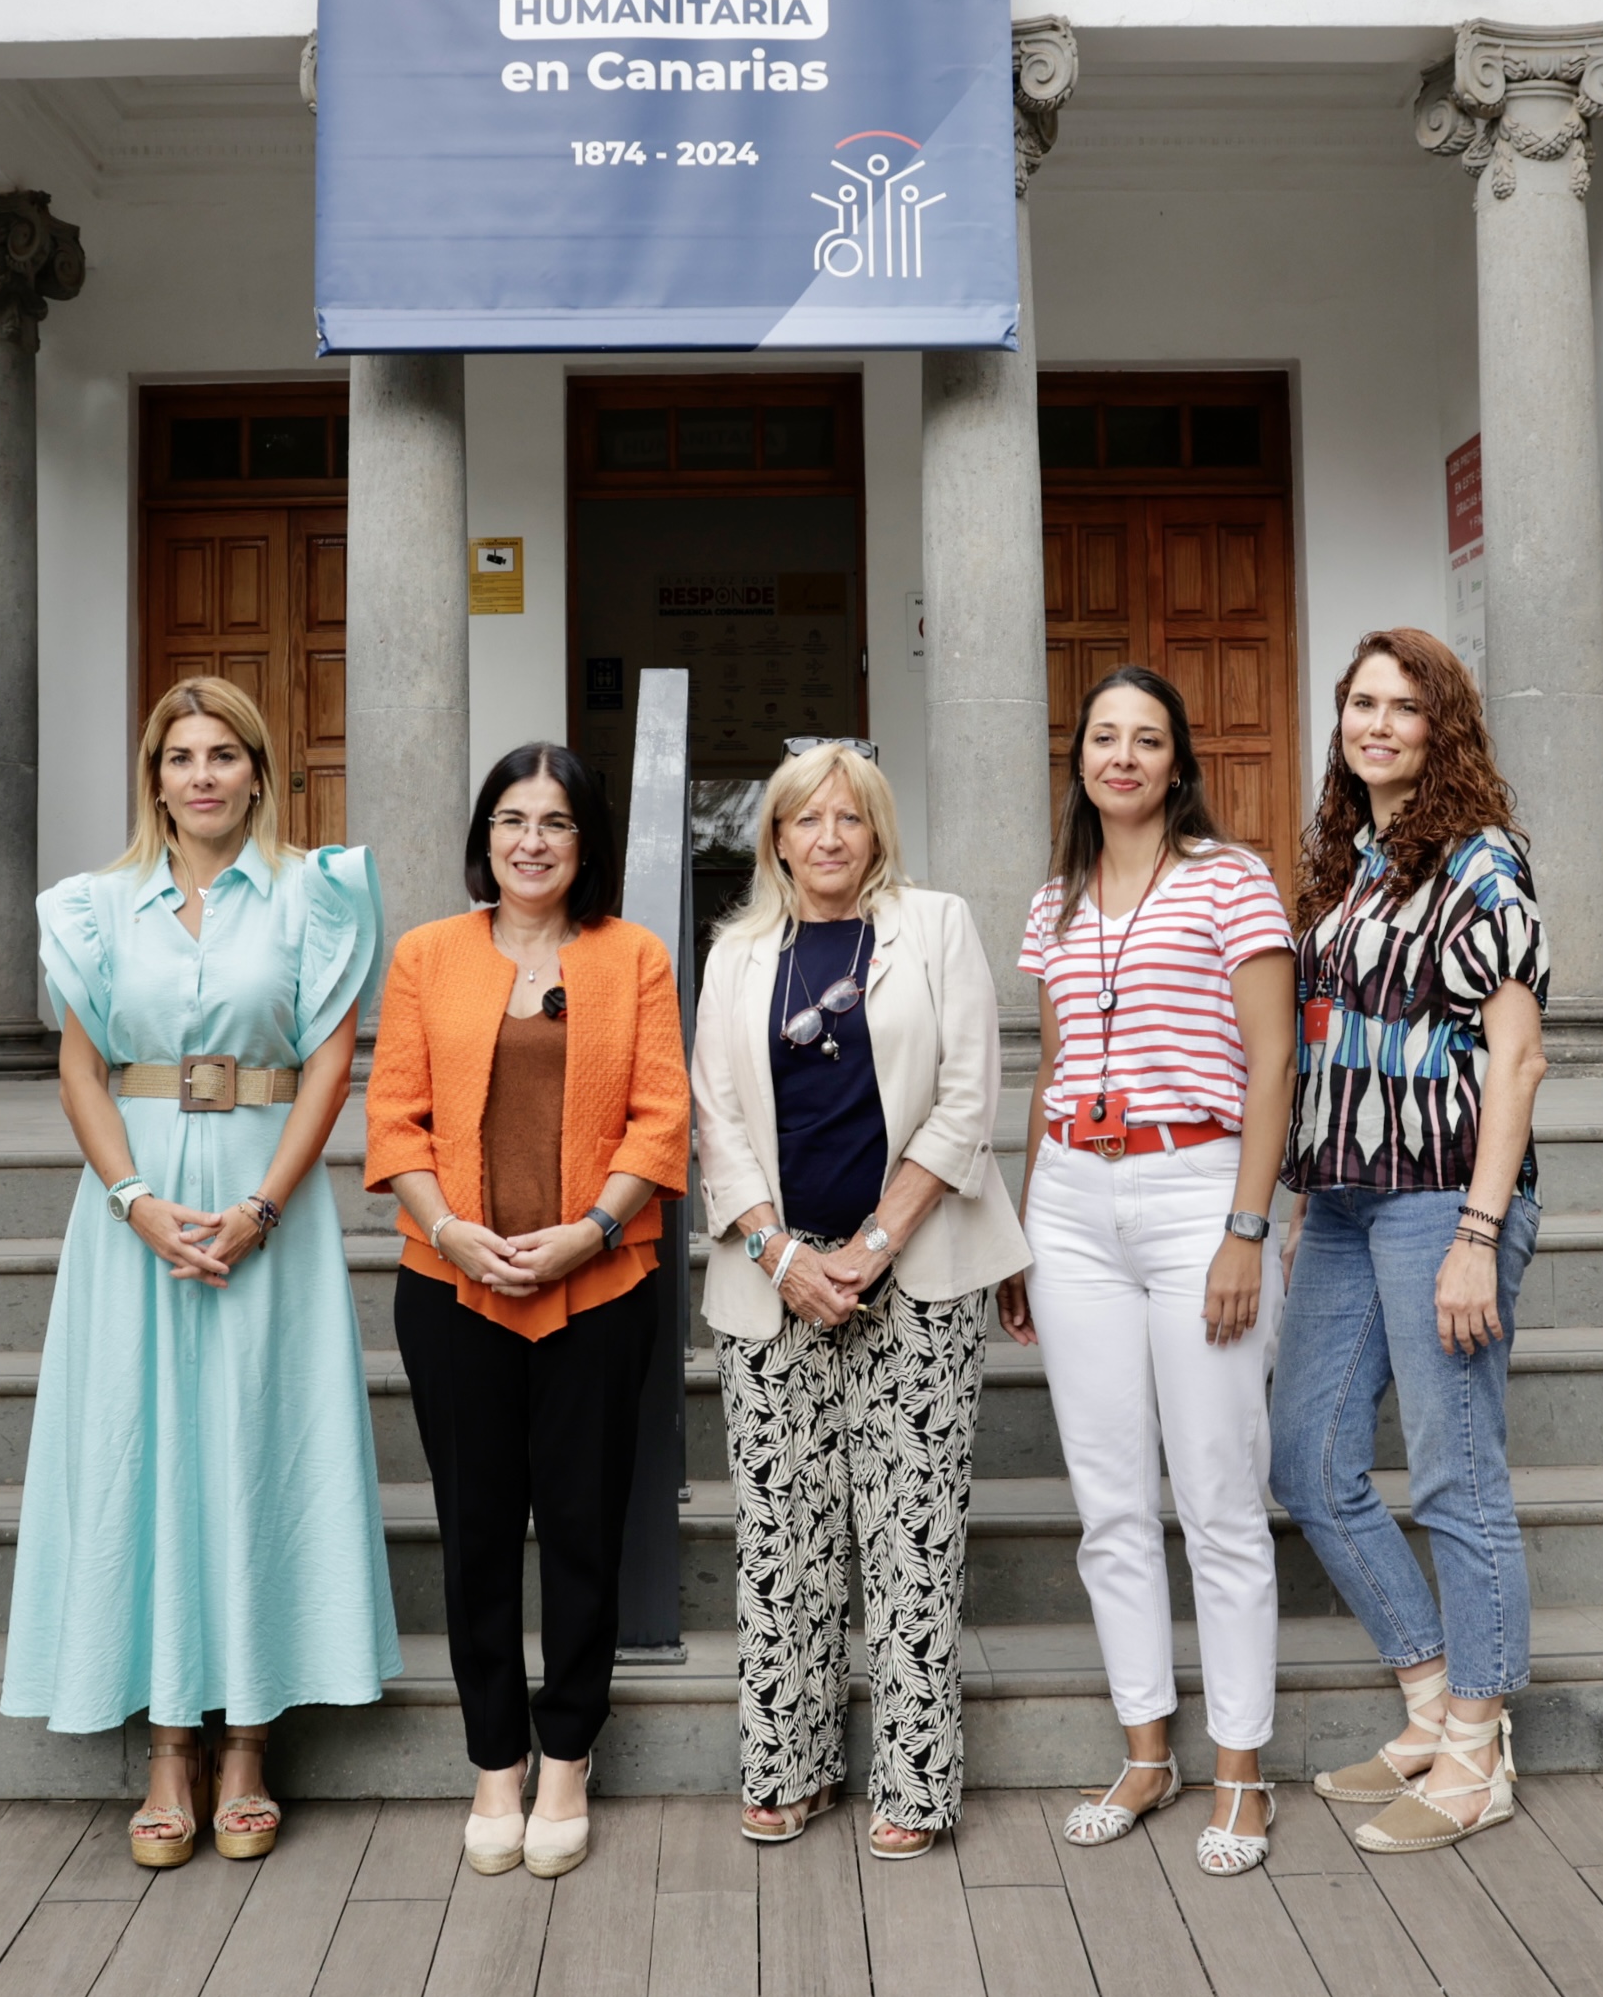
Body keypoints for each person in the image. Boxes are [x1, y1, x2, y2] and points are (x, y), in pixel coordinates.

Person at [0, 677, 388, 1867]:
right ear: (155, 776)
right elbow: (80, 1068)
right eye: (182, 756)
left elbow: (332, 1063)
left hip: (264, 1196)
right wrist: (132, 1200)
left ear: (262, 773)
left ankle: (252, 1746)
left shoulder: (315, 898)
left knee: (260, 1443)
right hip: (138, 1203)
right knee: (148, 1440)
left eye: (226, 754)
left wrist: (267, 1201)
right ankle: (169, 1744)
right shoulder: (97, 907)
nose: (204, 774)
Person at [689, 741, 1024, 1859]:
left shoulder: (935, 927)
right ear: (775, 836)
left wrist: (875, 1246)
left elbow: (970, 1098)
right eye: (805, 819)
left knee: (910, 1535)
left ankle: (915, 1782)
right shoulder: (735, 955)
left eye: (850, 817)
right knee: (785, 1537)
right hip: (772, 1283)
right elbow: (715, 1123)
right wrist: (784, 1256)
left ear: (878, 830)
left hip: (916, 1279)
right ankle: (789, 1767)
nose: (828, 836)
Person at [366, 745, 688, 1879]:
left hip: (598, 1285)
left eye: (556, 820)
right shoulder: (426, 955)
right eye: (512, 819)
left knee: (586, 1530)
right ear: (485, 837)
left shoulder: (633, 955)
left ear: (587, 841)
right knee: (479, 1535)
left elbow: (661, 1118)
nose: (533, 840)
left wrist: (589, 1230)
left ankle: (566, 1755)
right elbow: (395, 1119)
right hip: (451, 1285)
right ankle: (494, 1759)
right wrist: (451, 1230)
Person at [1002, 668, 1299, 1876]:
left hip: (1197, 1193)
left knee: (1220, 1496)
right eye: (1103, 738)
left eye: (1148, 739)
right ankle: (1146, 1749)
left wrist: (1245, 1224)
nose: (1122, 756)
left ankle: (1242, 1770)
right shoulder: (1055, 901)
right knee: (1110, 1499)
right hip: (1073, 1198)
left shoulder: (1232, 880)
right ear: (1080, 759)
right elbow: (1053, 1066)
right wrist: (1023, 1226)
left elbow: (1275, 1065)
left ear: (1180, 764)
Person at [1270, 628, 1550, 1853]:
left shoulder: (1480, 861)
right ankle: (1430, 1701)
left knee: (1454, 1472)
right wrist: (1292, 1202)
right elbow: (1322, 1043)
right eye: (1360, 703)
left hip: (1444, 1193)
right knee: (1307, 1461)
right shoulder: (1349, 860)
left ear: (1443, 727)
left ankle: (1481, 1750)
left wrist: (1479, 1234)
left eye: (1403, 706)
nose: (1376, 723)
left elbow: (1521, 1055)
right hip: (1337, 1200)